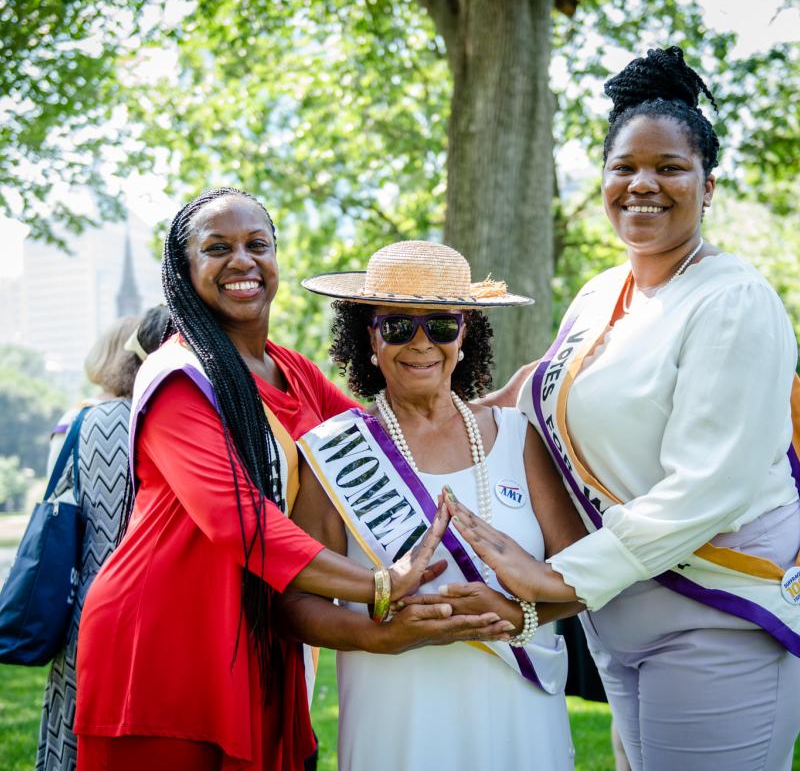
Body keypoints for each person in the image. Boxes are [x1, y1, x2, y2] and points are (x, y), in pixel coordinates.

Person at [446, 46, 800, 771]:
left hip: (718, 616)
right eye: (625, 167)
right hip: (620, 620)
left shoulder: (733, 300)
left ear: (707, 185)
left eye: (670, 167)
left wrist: (562, 578)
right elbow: (536, 390)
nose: (644, 184)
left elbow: (711, 484)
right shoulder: (602, 292)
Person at [73, 189, 509, 771]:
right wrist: (378, 584)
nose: (242, 262)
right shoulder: (179, 376)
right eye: (217, 248)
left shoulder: (292, 370)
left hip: (258, 632)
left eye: (258, 245)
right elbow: (239, 520)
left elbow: (380, 435)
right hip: (166, 634)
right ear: (184, 270)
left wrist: (517, 402)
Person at [285, 241, 587, 771]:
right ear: (369, 339)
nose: (421, 343)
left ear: (465, 334)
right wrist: (382, 638)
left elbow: (584, 575)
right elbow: (295, 603)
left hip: (517, 709)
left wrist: (520, 614)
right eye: (398, 326)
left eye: (442, 325)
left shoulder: (520, 437)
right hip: (396, 715)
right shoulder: (333, 453)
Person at [36, 306, 169, 771]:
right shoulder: (162, 417)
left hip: (87, 591)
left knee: (73, 715)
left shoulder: (81, 421)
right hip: (152, 593)